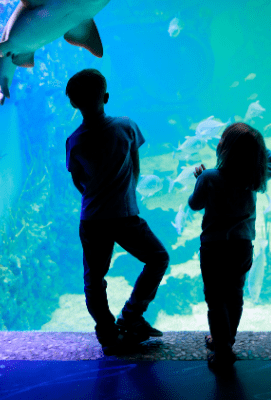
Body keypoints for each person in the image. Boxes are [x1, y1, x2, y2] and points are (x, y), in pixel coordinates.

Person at [65, 69, 170, 356]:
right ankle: (132, 316)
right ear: (106, 97)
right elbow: (136, 164)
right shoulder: (126, 126)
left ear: (73, 104)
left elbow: (79, 180)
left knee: (94, 279)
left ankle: (107, 334)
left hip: (92, 218)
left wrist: (97, 195)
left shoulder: (74, 141)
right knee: (158, 258)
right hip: (124, 215)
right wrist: (126, 192)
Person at [189, 122, 271, 369]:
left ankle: (221, 349)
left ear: (224, 149)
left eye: (221, 140)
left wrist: (199, 180)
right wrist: (254, 144)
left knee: (215, 299)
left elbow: (194, 204)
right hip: (242, 248)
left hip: (214, 249)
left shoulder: (209, 176)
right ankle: (226, 340)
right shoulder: (254, 177)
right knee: (235, 295)